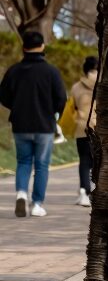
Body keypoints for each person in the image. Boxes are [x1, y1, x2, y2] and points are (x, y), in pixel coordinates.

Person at [0, 30, 67, 217]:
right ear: (42, 46)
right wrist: (55, 114)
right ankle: (37, 204)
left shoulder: (13, 71)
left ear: (24, 48)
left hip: (20, 125)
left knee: (23, 161)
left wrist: (16, 107)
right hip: (44, 125)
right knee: (41, 165)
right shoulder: (51, 72)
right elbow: (61, 98)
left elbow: (3, 96)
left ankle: (21, 193)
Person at [70, 55, 99, 206]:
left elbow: (72, 106)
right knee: (98, 160)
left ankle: (83, 192)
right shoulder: (104, 85)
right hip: (99, 128)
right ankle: (96, 189)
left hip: (82, 127)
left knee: (84, 160)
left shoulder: (76, 87)